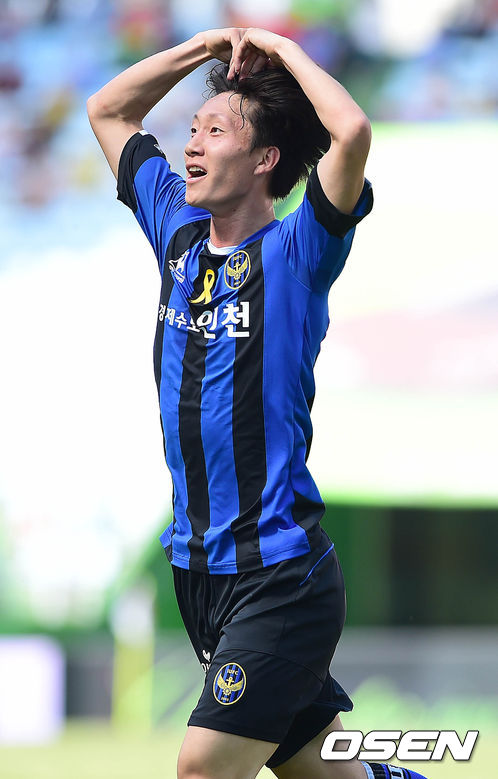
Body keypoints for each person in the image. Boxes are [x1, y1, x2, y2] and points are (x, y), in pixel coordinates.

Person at [88, 27, 428, 779]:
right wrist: (201, 49)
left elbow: (351, 130)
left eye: (215, 131)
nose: (192, 144)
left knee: (203, 768)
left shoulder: (299, 251)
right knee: (329, 774)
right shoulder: (176, 230)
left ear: (265, 158)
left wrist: (277, 48)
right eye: (192, 129)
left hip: (278, 573)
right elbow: (109, 110)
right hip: (198, 571)